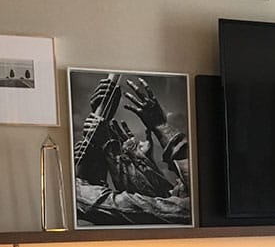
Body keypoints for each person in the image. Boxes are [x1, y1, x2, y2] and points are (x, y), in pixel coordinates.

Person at [73, 75, 191, 225]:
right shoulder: (183, 205)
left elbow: (87, 200)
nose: (178, 180)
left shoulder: (187, 211)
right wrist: (141, 165)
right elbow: (159, 199)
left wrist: (106, 144)